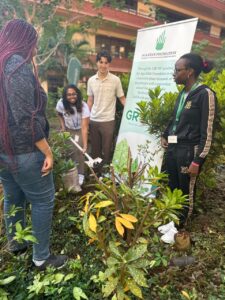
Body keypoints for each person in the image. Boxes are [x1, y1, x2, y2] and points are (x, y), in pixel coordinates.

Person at [0, 19, 67, 270]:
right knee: (42, 201)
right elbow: (26, 117)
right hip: (25, 151)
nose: (36, 50)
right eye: (34, 44)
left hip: (5, 151)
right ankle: (41, 258)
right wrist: (47, 151)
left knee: (14, 196)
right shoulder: (15, 66)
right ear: (24, 41)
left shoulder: (3, 65)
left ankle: (16, 245)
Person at [161, 53, 216, 230]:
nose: (174, 74)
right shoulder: (183, 94)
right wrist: (165, 134)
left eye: (177, 70)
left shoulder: (205, 94)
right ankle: (172, 223)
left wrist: (197, 160)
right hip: (174, 149)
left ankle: (180, 227)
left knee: (186, 191)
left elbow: (207, 132)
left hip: (188, 153)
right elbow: (175, 120)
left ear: (190, 72)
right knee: (172, 186)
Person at [87, 50, 126, 174]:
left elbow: (122, 99)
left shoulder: (115, 80)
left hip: (108, 120)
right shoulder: (91, 80)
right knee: (95, 150)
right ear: (97, 62)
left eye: (106, 63)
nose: (103, 65)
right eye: (101, 62)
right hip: (94, 120)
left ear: (109, 64)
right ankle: (96, 174)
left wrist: (132, 111)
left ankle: (106, 173)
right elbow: (90, 100)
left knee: (107, 149)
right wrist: (86, 118)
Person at [56, 84, 90, 185]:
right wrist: (63, 126)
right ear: (65, 96)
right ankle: (70, 172)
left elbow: (84, 127)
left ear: (77, 94)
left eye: (74, 94)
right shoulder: (61, 104)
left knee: (80, 151)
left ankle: (80, 174)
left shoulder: (84, 106)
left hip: (79, 129)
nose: (72, 96)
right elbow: (58, 113)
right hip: (68, 129)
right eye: (69, 95)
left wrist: (85, 145)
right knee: (69, 151)